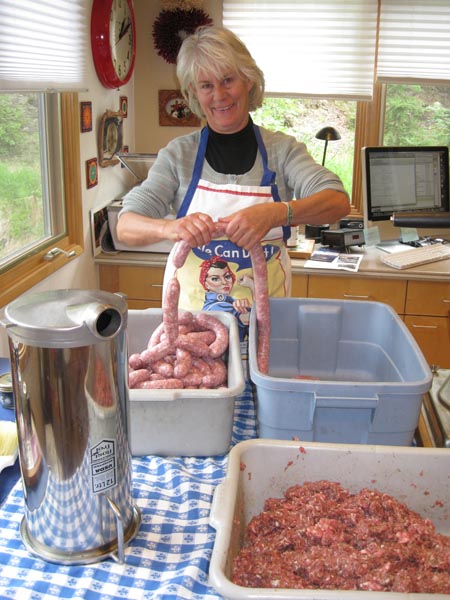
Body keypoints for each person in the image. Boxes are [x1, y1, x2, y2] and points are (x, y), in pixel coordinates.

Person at [117, 25, 350, 339]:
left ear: (248, 80)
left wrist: (277, 213)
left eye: (228, 80)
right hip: (193, 328)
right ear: (194, 93)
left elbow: (337, 201)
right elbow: (125, 226)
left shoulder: (282, 151)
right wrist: (170, 228)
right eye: (206, 85)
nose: (219, 95)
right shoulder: (178, 155)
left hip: (265, 325)